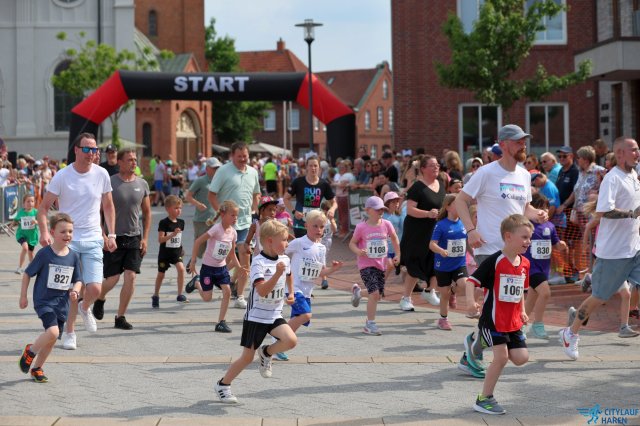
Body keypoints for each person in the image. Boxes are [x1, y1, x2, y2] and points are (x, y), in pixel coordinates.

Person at [559, 137, 640, 361]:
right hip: (613, 253)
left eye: (638, 150)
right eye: (633, 150)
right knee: (599, 297)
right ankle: (570, 332)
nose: (637, 153)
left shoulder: (633, 176)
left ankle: (623, 324)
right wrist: (632, 213)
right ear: (620, 153)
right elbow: (605, 211)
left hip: (634, 248)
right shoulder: (612, 179)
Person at [36, 132, 117, 351]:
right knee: (71, 291)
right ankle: (69, 333)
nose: (91, 153)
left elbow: (108, 206)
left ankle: (85, 306)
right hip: (68, 241)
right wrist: (44, 232)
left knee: (95, 289)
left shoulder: (101, 174)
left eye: (94, 149)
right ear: (76, 150)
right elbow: (43, 208)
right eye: (87, 149)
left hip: (93, 238)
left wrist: (111, 234)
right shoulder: (62, 176)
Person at [213, 220, 296, 404]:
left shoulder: (284, 259)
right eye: (284, 239)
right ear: (270, 241)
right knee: (247, 358)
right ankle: (223, 385)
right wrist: (277, 274)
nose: (287, 243)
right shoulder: (258, 262)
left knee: (291, 340)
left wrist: (290, 293)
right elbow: (262, 291)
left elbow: (289, 275)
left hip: (274, 314)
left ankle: (266, 352)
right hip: (256, 317)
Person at [463, 214, 532, 415]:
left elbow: (520, 291)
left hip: (513, 321)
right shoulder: (495, 261)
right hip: (493, 320)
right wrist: (470, 302)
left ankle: (478, 341)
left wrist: (523, 310)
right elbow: (471, 282)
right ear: (508, 236)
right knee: (501, 358)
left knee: (521, 358)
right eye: (524, 237)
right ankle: (484, 399)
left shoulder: (525, 263)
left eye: (529, 237)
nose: (528, 242)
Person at [455, 124, 546, 267]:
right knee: (493, 284)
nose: (523, 146)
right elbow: (460, 200)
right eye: (518, 142)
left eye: (524, 142)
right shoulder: (486, 172)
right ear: (503, 144)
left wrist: (538, 213)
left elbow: (525, 209)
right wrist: (470, 230)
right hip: (489, 250)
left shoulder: (525, 175)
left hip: (515, 250)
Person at [18, 213, 83, 382]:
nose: (67, 235)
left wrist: (76, 291)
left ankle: (37, 369)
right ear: (52, 232)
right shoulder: (45, 254)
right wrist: (23, 296)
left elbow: (78, 280)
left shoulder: (73, 256)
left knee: (52, 339)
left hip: (62, 304)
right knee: (53, 331)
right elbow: (27, 274)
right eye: (63, 231)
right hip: (44, 301)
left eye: (70, 231)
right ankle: (30, 351)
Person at [92, 149, 151, 330]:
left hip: (134, 237)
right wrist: (103, 235)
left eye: (135, 159)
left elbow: (147, 213)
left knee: (131, 276)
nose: (134, 162)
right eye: (130, 160)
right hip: (113, 238)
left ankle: (120, 317)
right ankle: (100, 298)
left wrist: (145, 238)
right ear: (120, 162)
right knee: (112, 279)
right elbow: (98, 211)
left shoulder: (142, 184)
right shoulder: (110, 182)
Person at [276, 210, 343, 360]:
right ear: (306, 226)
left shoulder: (321, 248)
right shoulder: (299, 242)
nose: (319, 230)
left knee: (300, 318)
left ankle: (279, 346)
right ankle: (279, 338)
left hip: (307, 291)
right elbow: (281, 250)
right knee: (305, 315)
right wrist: (278, 265)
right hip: (294, 288)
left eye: (322, 227)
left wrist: (334, 269)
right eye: (315, 226)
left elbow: (321, 271)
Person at [208, 142, 261, 309]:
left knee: (245, 256)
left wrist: (255, 209)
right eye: (239, 156)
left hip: (245, 223)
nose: (243, 159)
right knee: (225, 258)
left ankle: (240, 296)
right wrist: (221, 213)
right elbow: (211, 195)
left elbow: (256, 193)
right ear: (232, 156)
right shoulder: (223, 171)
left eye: (245, 156)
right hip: (227, 225)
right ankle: (208, 277)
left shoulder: (253, 172)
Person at [399, 155, 445, 311]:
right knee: (415, 265)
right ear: (423, 169)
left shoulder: (441, 184)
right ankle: (406, 298)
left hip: (434, 230)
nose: (436, 167)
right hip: (417, 232)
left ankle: (429, 291)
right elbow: (410, 210)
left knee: (435, 261)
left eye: (437, 164)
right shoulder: (417, 187)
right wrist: (427, 214)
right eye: (432, 165)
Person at [349, 196, 400, 335]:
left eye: (382, 209)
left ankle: (358, 293)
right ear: (368, 210)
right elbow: (352, 243)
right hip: (366, 265)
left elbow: (395, 238)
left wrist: (398, 254)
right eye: (377, 209)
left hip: (381, 265)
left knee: (377, 295)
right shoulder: (361, 227)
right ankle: (369, 324)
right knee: (375, 293)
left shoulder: (387, 224)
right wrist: (359, 251)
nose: (380, 212)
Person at [187, 200, 241, 333]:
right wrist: (193, 261)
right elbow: (198, 241)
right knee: (207, 298)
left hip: (221, 269)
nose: (235, 218)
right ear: (223, 215)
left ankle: (221, 322)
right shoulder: (216, 229)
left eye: (236, 215)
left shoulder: (233, 233)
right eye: (232, 215)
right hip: (208, 268)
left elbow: (232, 253)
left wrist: (239, 267)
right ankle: (197, 283)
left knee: (227, 291)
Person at [522, 193, 567, 339]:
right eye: (540, 208)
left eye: (546, 208)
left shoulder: (550, 226)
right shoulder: (527, 226)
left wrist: (561, 245)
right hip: (531, 267)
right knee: (545, 293)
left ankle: (519, 325)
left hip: (544, 268)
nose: (544, 211)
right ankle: (538, 324)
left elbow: (555, 243)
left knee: (532, 296)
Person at [429, 194, 473, 330]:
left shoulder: (464, 223)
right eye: (456, 204)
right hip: (443, 265)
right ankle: (443, 319)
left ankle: (454, 291)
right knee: (444, 294)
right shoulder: (441, 225)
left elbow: (467, 242)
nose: (460, 207)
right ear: (448, 207)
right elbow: (432, 244)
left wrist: (474, 255)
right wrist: (441, 251)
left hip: (459, 263)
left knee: (465, 284)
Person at [285, 155, 337, 239]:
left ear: (319, 168)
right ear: (306, 167)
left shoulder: (324, 184)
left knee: (314, 245)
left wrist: (332, 209)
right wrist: (294, 211)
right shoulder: (298, 182)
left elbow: (334, 202)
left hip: (316, 223)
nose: (313, 168)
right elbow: (286, 198)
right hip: (300, 222)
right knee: (301, 245)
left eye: (315, 166)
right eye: (310, 165)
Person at [152, 195, 188, 307]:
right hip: (165, 254)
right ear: (168, 209)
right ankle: (156, 295)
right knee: (161, 274)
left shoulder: (181, 222)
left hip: (176, 252)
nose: (179, 210)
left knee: (181, 269)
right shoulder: (164, 223)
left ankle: (180, 294)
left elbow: (178, 238)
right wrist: (172, 234)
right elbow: (160, 239)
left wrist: (182, 248)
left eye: (180, 208)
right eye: (176, 208)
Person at [184, 157, 221, 264]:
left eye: (218, 168)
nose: (216, 170)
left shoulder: (219, 181)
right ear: (207, 168)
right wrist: (198, 204)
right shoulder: (200, 181)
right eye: (214, 168)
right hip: (201, 219)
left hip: (215, 219)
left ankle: (214, 265)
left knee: (217, 243)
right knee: (200, 246)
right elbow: (188, 196)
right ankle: (193, 261)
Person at [14, 194, 38, 274]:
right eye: (28, 201)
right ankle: (19, 267)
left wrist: (36, 222)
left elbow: (44, 221)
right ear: (24, 203)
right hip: (22, 234)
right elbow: (15, 219)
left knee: (31, 254)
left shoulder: (36, 212)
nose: (30, 203)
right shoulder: (21, 212)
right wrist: (10, 226)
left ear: (34, 203)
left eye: (32, 201)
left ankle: (31, 266)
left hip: (32, 236)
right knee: (25, 248)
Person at [319, 199, 338, 289]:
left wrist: (332, 220)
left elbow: (335, 230)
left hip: (326, 241)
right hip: (318, 240)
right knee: (318, 259)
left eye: (328, 210)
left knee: (322, 259)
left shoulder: (331, 219)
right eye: (324, 210)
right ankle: (323, 279)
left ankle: (324, 279)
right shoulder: (319, 217)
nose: (326, 212)